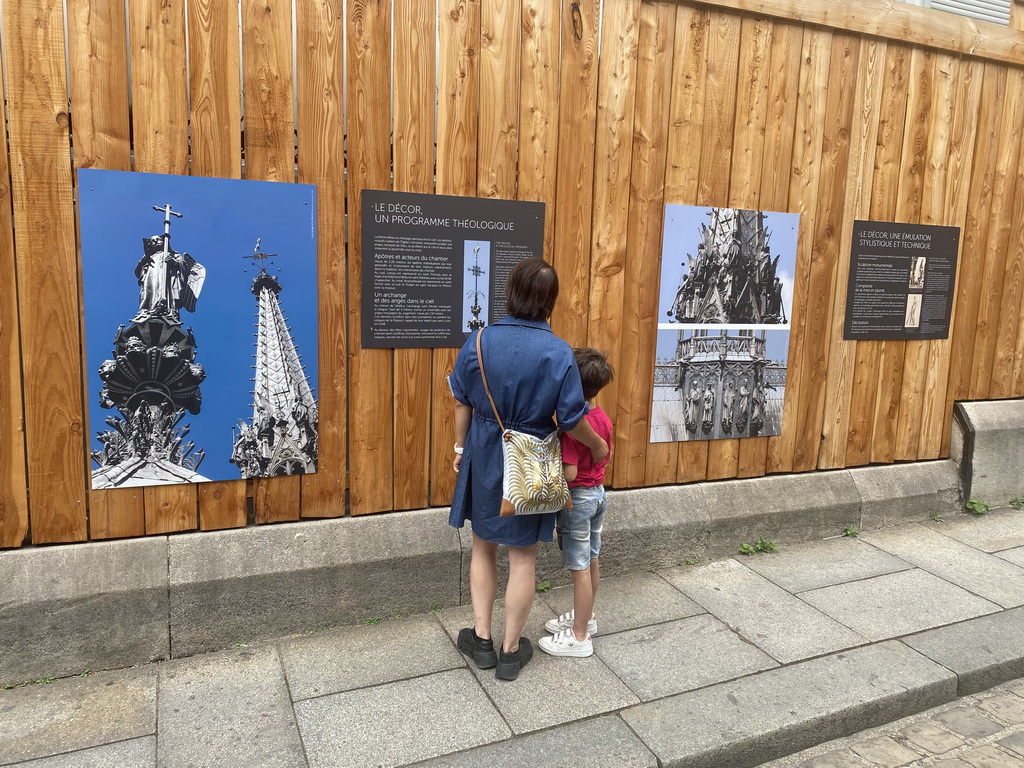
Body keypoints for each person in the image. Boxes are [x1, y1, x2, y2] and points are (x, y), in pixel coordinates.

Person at [448, 258, 609, 681]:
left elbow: (462, 402)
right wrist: (598, 445)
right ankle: (510, 651)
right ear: (550, 301)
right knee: (523, 559)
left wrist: (461, 448)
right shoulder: (557, 351)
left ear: (511, 292)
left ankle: (481, 640)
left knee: (483, 546)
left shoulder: (479, 341)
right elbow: (572, 417)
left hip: (486, 452)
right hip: (532, 460)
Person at [539, 348, 614, 658]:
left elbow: (569, 472)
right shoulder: (602, 418)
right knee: (592, 559)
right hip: (598, 494)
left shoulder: (573, 428)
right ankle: (587, 617)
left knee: (579, 568)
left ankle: (579, 636)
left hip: (579, 499)